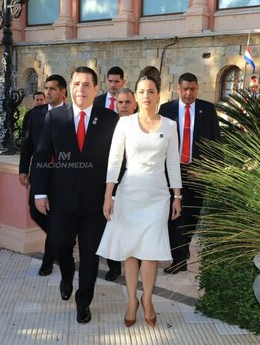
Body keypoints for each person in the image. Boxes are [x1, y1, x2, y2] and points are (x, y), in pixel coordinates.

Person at [31, 66, 119, 324]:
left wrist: (111, 195)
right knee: (59, 245)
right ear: (71, 87)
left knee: (91, 254)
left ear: (95, 89)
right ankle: (67, 274)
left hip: (95, 203)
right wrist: (40, 192)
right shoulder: (55, 117)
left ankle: (84, 302)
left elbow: (117, 161)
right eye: (77, 84)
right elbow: (43, 155)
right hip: (62, 199)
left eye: (86, 85)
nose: (81, 89)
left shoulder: (109, 119)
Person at [97, 75, 182, 328]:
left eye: (151, 91)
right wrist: (108, 195)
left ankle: (148, 298)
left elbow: (173, 164)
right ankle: (131, 300)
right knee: (130, 252)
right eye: (142, 91)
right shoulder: (124, 124)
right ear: (136, 96)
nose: (147, 95)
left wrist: (177, 196)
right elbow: (114, 161)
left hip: (157, 197)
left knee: (150, 252)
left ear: (158, 95)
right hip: (128, 195)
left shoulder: (169, 126)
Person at [159, 72, 221, 274]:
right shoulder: (166, 109)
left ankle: (183, 250)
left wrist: (211, 171)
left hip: (197, 172)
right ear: (178, 89)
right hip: (172, 170)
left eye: (192, 89)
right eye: (184, 89)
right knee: (174, 214)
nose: (188, 93)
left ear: (197, 88)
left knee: (192, 215)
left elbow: (215, 142)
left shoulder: (207, 109)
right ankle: (178, 258)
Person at [19, 76, 67, 276]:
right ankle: (62, 239)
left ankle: (47, 261)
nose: (48, 92)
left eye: (53, 89)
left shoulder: (71, 114)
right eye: (46, 88)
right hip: (39, 172)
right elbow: (27, 143)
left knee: (54, 214)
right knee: (35, 211)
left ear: (63, 92)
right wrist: (23, 169)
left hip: (62, 174)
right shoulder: (35, 114)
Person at [93, 66, 127, 281]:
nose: (113, 85)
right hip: (100, 168)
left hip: (125, 169)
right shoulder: (97, 103)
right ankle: (105, 260)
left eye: (117, 81)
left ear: (123, 82)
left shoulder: (127, 102)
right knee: (103, 219)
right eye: (110, 81)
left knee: (117, 220)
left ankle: (117, 265)